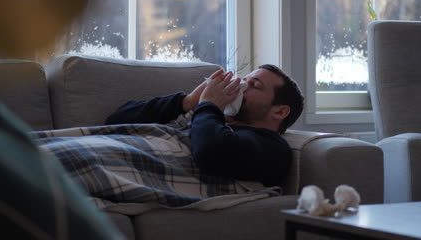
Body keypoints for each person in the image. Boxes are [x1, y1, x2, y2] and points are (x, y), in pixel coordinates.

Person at [105, 64, 304, 187]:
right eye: (244, 80)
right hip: (112, 147)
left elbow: (210, 152)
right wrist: (188, 102)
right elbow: (115, 121)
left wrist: (209, 106)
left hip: (116, 164)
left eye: (255, 86)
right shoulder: (206, 118)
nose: (242, 87)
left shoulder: (272, 147)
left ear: (279, 111)